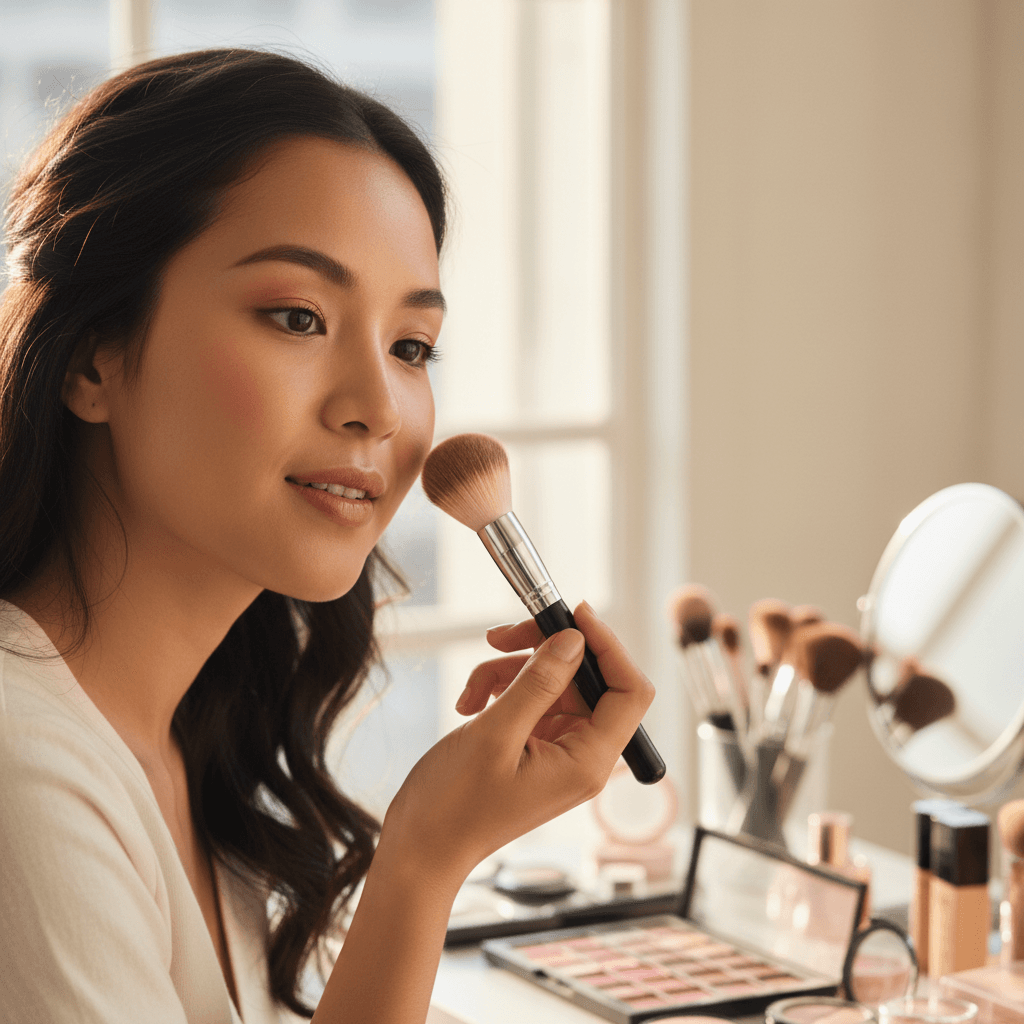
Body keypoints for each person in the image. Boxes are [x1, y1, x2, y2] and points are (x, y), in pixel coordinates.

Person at [0, 48, 655, 1024]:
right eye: (297, 316)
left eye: (410, 347)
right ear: (92, 356)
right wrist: (423, 860)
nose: (378, 409)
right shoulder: (25, 771)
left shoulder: (180, 740)